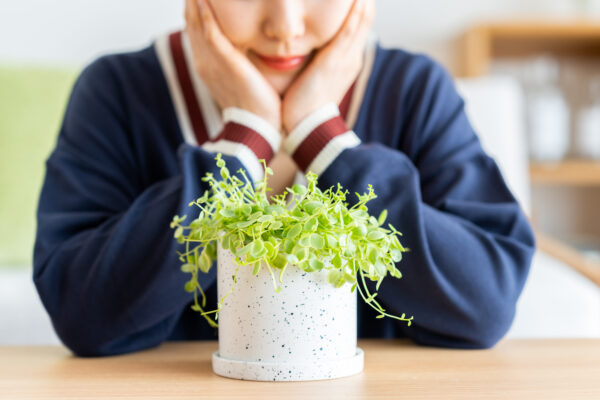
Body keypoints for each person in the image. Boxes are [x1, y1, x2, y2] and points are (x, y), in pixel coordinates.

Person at [33, 0, 536, 357]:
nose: (286, 25)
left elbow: (485, 302)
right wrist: (246, 140)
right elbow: (81, 313)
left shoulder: (414, 88)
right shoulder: (117, 91)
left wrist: (320, 136)